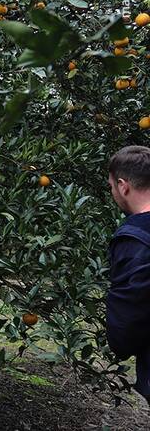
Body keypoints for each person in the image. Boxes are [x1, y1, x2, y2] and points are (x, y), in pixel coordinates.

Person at [105, 145, 150, 403]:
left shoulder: (136, 238)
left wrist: (120, 342)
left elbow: (129, 316)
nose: (113, 193)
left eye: (111, 186)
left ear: (123, 186)